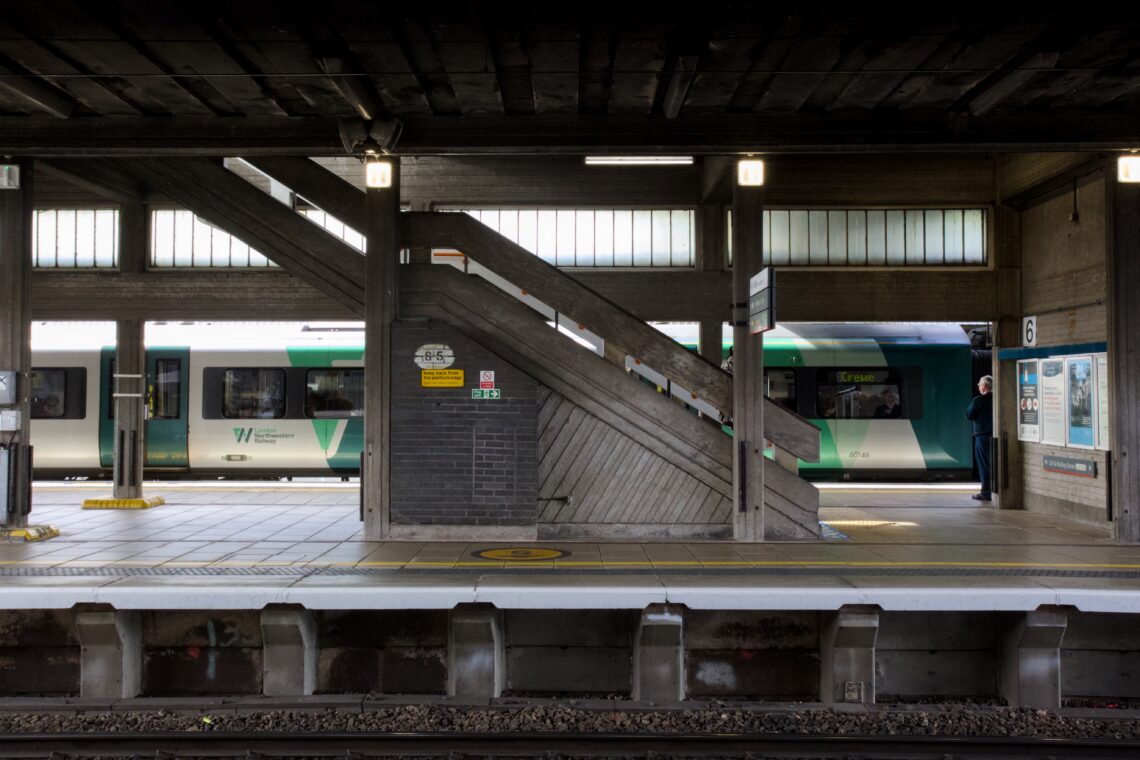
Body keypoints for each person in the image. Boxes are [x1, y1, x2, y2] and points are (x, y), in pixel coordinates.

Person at [965, 375, 994, 501]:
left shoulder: (978, 400)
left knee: (984, 465)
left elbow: (969, 415)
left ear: (984, 386)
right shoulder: (997, 399)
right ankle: (996, 490)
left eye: (979, 385)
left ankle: (986, 492)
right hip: (995, 437)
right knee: (994, 464)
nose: (979, 387)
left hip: (982, 437)